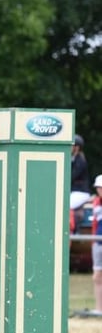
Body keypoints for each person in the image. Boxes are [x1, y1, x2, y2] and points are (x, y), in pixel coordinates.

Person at [90, 175, 102, 316]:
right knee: (97, 276)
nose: (99, 190)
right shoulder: (96, 203)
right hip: (97, 243)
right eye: (98, 188)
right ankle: (99, 309)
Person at [70, 134, 91, 214]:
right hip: (74, 192)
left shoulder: (80, 161)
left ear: (77, 147)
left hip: (81, 192)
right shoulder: (73, 159)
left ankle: (73, 226)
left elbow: (71, 177)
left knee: (65, 206)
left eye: (72, 146)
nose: (69, 148)